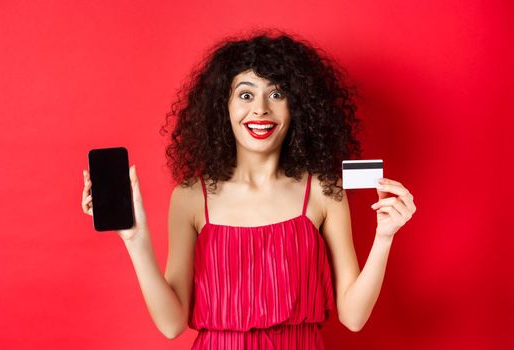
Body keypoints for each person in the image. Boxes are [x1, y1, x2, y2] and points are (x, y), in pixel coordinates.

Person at [81, 29, 417, 349]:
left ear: (297, 107)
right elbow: (171, 325)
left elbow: (354, 317)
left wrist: (384, 237)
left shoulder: (323, 192)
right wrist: (135, 240)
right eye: (245, 94)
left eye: (276, 94)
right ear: (222, 107)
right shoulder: (190, 197)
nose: (260, 109)